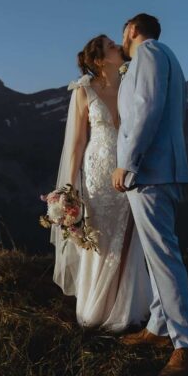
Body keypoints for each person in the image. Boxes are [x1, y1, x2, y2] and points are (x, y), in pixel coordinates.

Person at [112, 13, 188, 376]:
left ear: (132, 30)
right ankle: (158, 325)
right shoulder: (167, 56)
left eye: (123, 32)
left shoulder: (149, 54)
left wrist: (128, 162)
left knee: (164, 257)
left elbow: (146, 110)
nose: (122, 39)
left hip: (150, 171)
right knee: (156, 255)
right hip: (161, 170)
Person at [51, 34, 151, 331]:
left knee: (127, 236)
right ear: (98, 60)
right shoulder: (83, 91)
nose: (118, 47)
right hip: (96, 173)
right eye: (111, 46)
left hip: (127, 170)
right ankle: (96, 307)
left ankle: (124, 308)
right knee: (101, 238)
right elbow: (78, 142)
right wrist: (69, 187)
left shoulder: (130, 85)